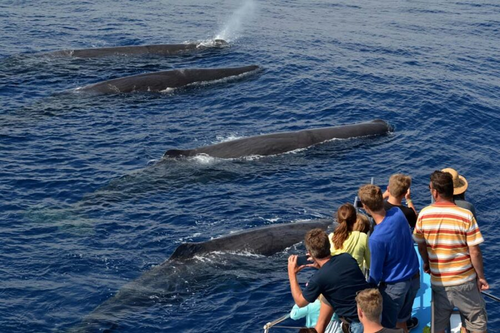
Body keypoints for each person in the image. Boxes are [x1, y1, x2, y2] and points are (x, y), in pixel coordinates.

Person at [413, 171, 488, 333]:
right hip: (465, 282)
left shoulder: (424, 215)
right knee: (476, 323)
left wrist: (426, 262)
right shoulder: (466, 215)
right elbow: (474, 251)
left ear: (435, 192)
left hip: (440, 282)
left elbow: (421, 245)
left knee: (438, 326)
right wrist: (480, 277)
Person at [358, 184, 420, 332]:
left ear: (365, 207)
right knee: (402, 322)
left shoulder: (376, 239)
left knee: (388, 327)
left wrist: (366, 290)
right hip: (414, 279)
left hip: (395, 288)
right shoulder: (398, 213)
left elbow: (375, 274)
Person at [287, 228, 371, 333]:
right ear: (329, 246)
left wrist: (291, 274)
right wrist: (321, 267)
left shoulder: (319, 278)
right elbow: (337, 277)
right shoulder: (347, 258)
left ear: (309, 253)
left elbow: (300, 302)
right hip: (371, 314)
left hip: (357, 323)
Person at [329, 203, 370, 272]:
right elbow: (370, 264)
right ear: (355, 220)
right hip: (355, 280)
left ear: (338, 219)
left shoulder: (330, 237)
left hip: (335, 280)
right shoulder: (362, 237)